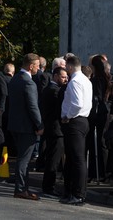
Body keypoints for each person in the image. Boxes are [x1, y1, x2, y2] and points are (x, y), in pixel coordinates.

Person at [8, 53, 44, 201]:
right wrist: (39, 124)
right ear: (31, 66)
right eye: (37, 66)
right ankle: (21, 189)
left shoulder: (15, 79)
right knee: (24, 160)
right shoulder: (29, 83)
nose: (38, 68)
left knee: (21, 158)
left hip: (15, 125)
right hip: (26, 127)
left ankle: (22, 188)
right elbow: (32, 107)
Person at [60, 55, 92, 205]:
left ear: (70, 67)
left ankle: (78, 194)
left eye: (66, 66)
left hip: (75, 121)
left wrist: (67, 115)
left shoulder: (75, 81)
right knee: (73, 159)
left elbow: (78, 104)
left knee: (77, 159)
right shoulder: (86, 80)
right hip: (82, 121)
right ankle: (72, 192)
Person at [41, 67, 68, 196]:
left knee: (53, 157)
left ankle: (48, 184)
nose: (65, 79)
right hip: (55, 129)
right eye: (63, 77)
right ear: (56, 76)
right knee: (54, 159)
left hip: (52, 128)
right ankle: (49, 186)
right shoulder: (54, 91)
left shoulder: (50, 89)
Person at [87, 55, 111, 182]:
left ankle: (98, 171)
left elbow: (97, 97)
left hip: (97, 114)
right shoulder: (105, 78)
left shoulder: (97, 80)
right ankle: (101, 171)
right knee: (101, 143)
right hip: (103, 113)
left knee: (97, 143)